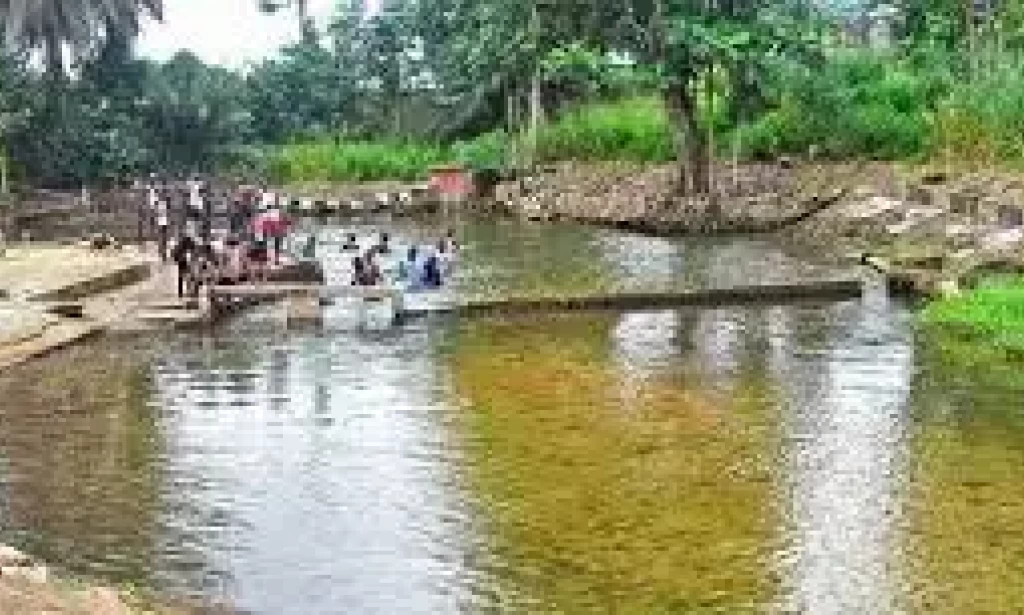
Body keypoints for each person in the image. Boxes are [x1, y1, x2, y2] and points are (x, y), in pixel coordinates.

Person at [171, 233, 196, 298]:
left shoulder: (180, 245)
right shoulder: (184, 246)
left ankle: (182, 292)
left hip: (183, 262)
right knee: (188, 277)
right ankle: (187, 291)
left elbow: (174, 254)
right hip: (184, 262)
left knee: (182, 277)